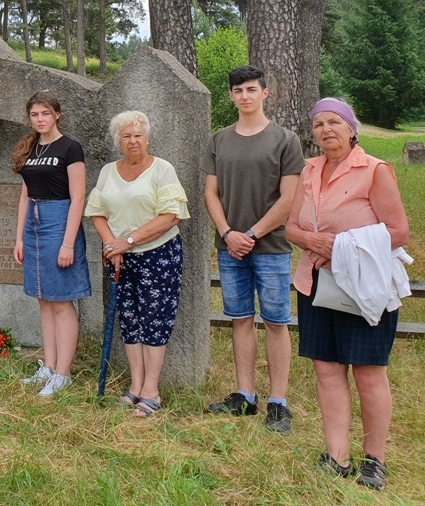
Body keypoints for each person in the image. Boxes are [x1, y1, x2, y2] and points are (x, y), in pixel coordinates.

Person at [285, 98, 410, 490]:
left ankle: (375, 460)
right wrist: (314, 242)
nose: (326, 130)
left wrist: (339, 248)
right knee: (326, 370)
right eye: (319, 124)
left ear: (351, 129)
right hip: (316, 285)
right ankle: (336, 456)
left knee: (368, 373)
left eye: (334, 122)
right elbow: (292, 228)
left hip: (363, 286)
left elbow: (398, 232)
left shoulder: (375, 170)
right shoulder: (309, 170)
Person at [204, 65, 305, 433]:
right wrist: (228, 233)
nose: (244, 96)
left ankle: (278, 402)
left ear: (265, 93)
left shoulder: (285, 140)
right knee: (240, 319)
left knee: (276, 323)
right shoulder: (219, 140)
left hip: (271, 248)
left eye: (251, 89)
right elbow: (210, 193)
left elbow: (289, 198)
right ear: (231, 96)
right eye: (238, 90)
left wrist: (250, 234)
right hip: (230, 248)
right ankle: (245, 395)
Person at [85, 111, 189, 417]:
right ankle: (135, 385)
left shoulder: (162, 169)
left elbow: (170, 216)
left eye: (138, 135)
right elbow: (96, 212)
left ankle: (151, 391)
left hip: (157, 255)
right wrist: (111, 245)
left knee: (154, 322)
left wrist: (127, 241)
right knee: (129, 321)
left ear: (148, 138)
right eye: (126, 136)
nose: (133, 141)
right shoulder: (108, 171)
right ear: (118, 141)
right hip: (120, 258)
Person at [11, 91, 91, 397]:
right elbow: (24, 195)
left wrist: (68, 243)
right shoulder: (30, 147)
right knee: (43, 300)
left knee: (60, 301)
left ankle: (62, 374)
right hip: (33, 225)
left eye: (45, 113)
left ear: (57, 115)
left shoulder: (70, 148)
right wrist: (19, 237)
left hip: (59, 222)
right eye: (34, 114)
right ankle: (49, 366)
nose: (40, 119)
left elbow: (78, 197)